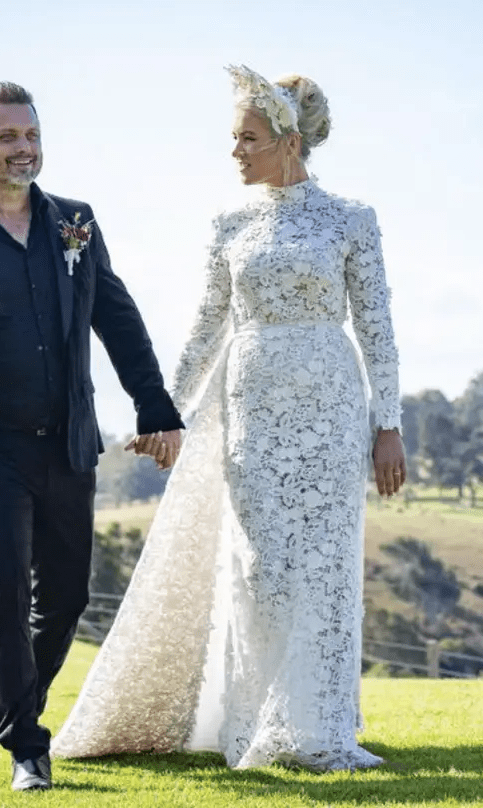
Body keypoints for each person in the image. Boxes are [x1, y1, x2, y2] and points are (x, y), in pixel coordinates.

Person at [52, 65, 406, 771]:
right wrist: (163, 412)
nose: (235, 152)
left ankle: (320, 728)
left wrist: (387, 424)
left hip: (333, 408)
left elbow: (378, 328)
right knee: (262, 569)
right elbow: (206, 327)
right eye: (233, 138)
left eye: (247, 138)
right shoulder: (228, 225)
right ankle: (254, 723)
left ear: (288, 140)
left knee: (324, 568)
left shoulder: (352, 220)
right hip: (250, 410)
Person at [0, 81, 183, 792]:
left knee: (70, 595)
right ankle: (26, 745)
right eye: (5, 138)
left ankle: (22, 706)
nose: (23, 148)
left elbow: (116, 315)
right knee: (7, 590)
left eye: (30, 134)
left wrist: (155, 405)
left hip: (66, 442)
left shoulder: (75, 222)